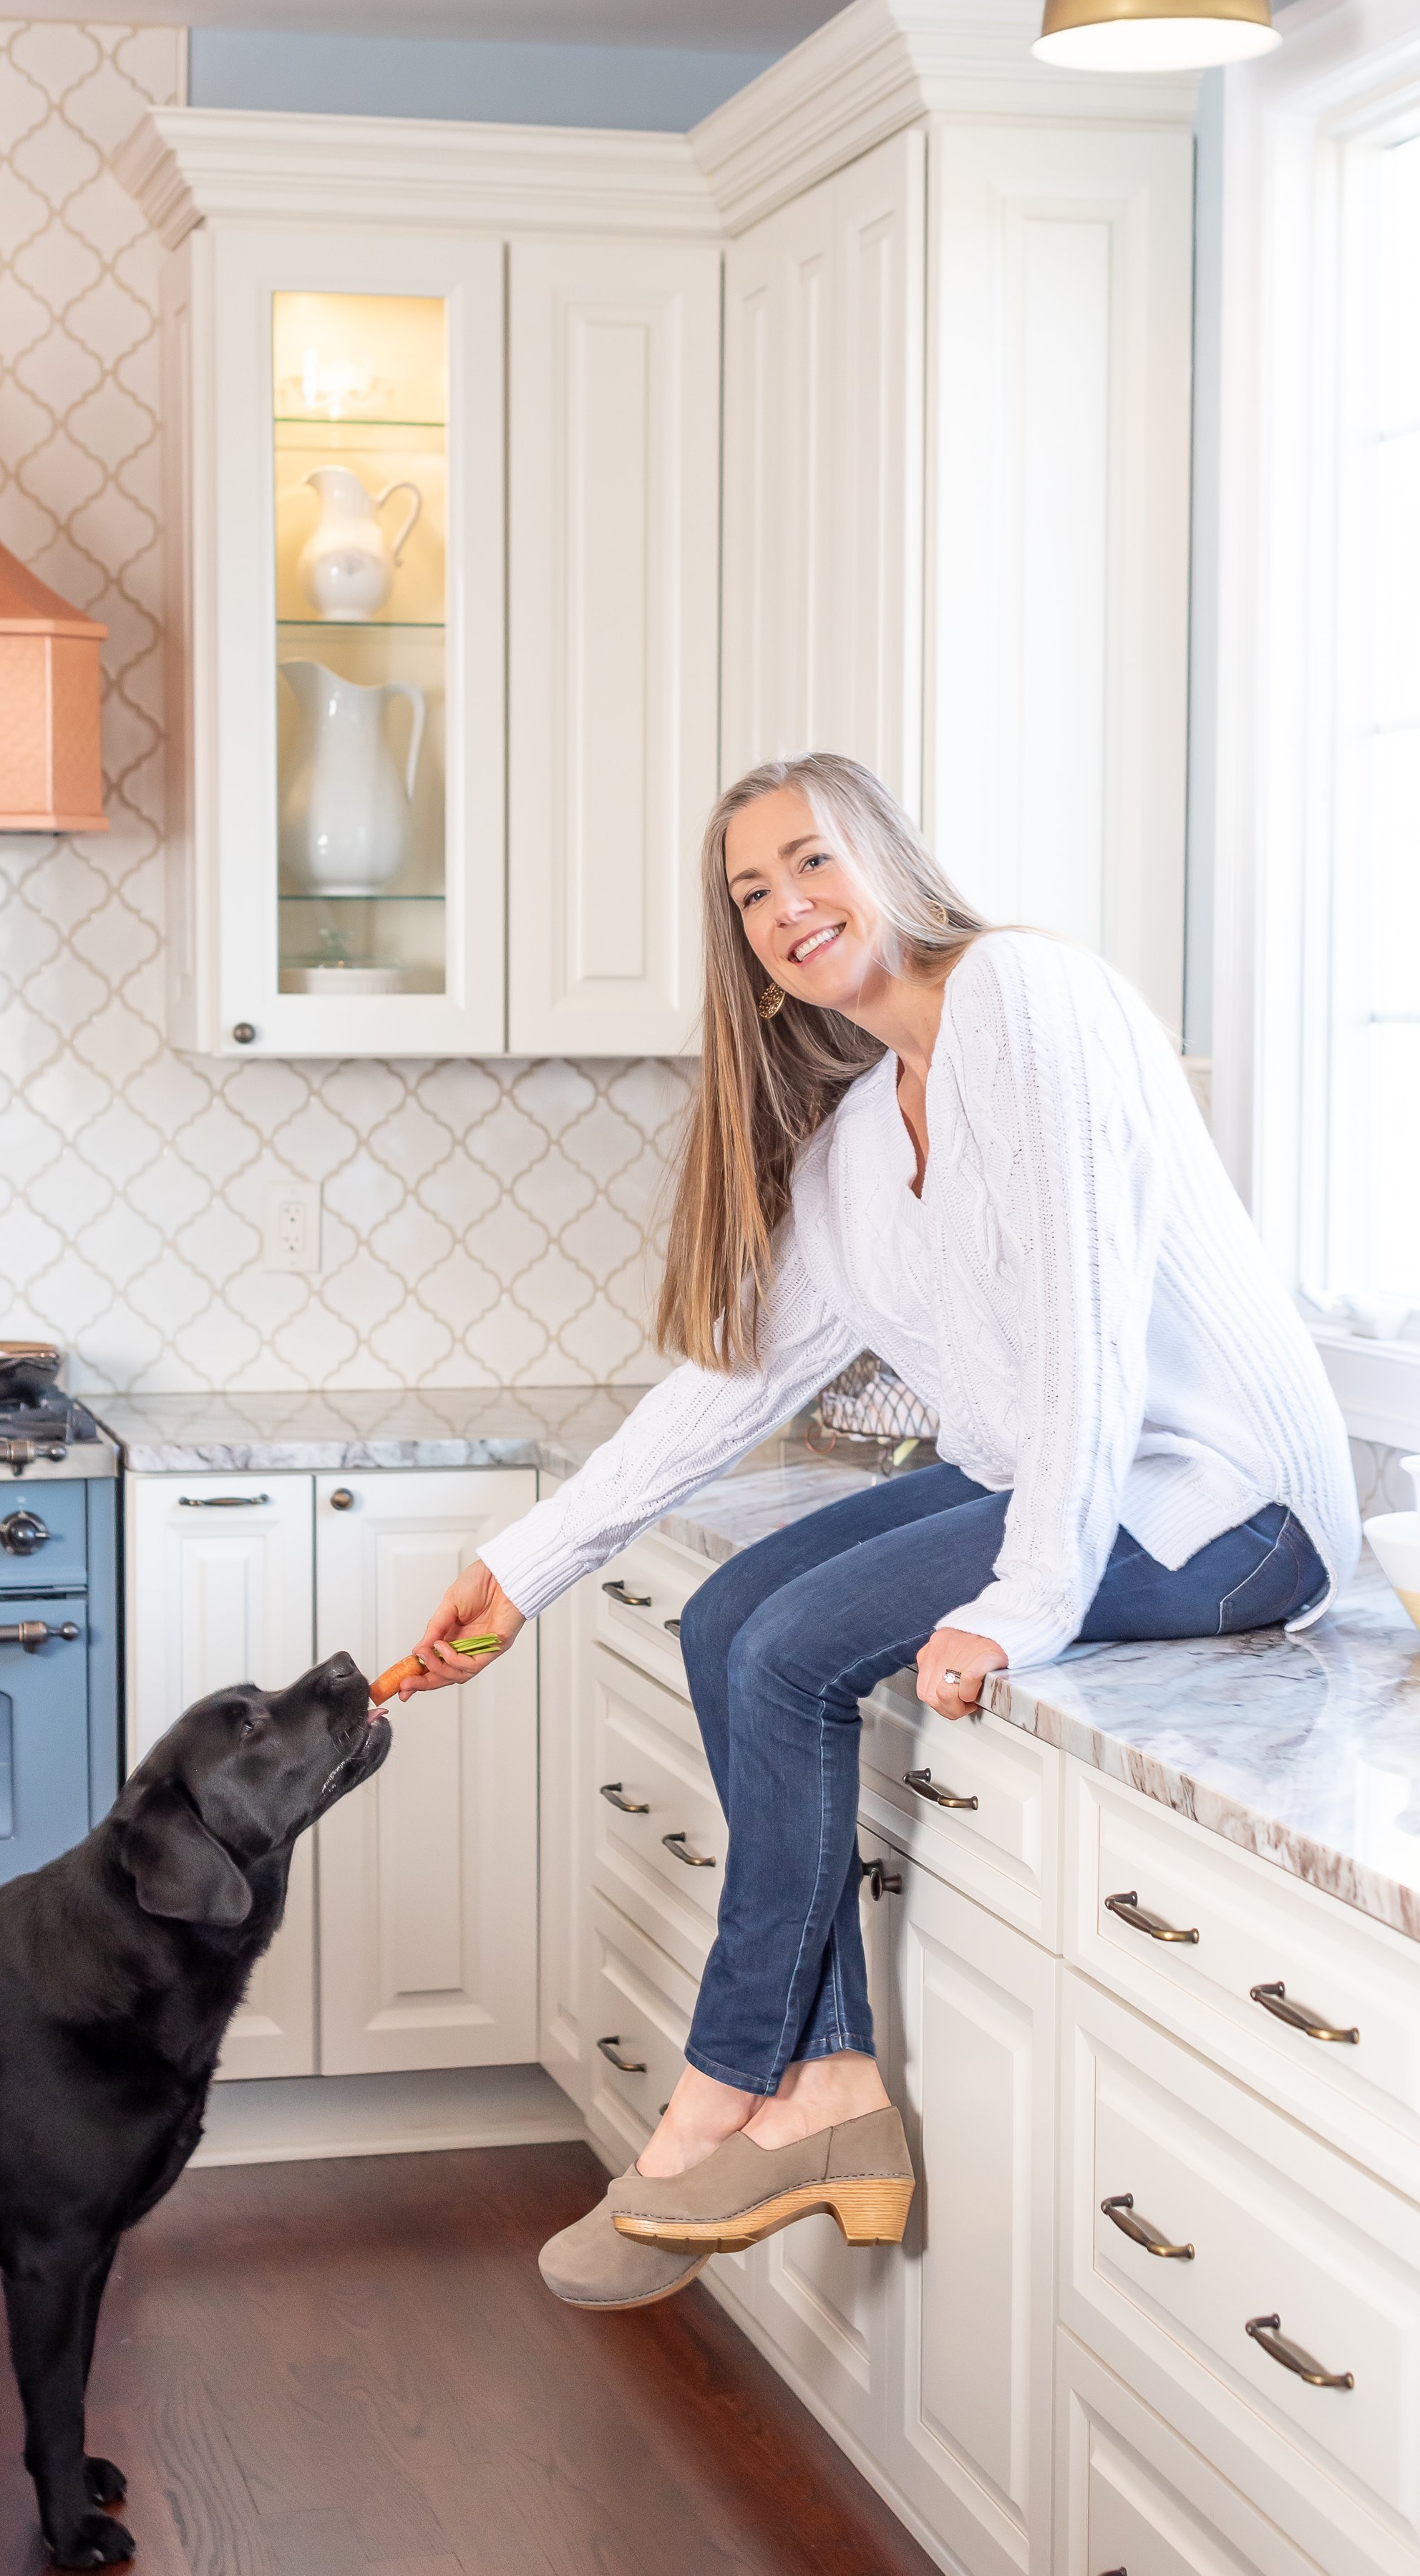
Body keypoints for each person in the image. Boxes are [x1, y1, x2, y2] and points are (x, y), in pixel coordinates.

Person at [406, 754, 1358, 2313]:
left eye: (807, 862)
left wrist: (1027, 1598)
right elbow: (724, 1389)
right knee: (725, 1621)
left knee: (783, 1654)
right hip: (1068, 1477)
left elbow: (1086, 1322)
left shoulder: (1025, 999)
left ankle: (718, 2102)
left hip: (1225, 1509)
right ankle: (834, 2085)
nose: (786, 908)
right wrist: (520, 1571)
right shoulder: (855, 1145)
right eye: (749, 895)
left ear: (888, 859)